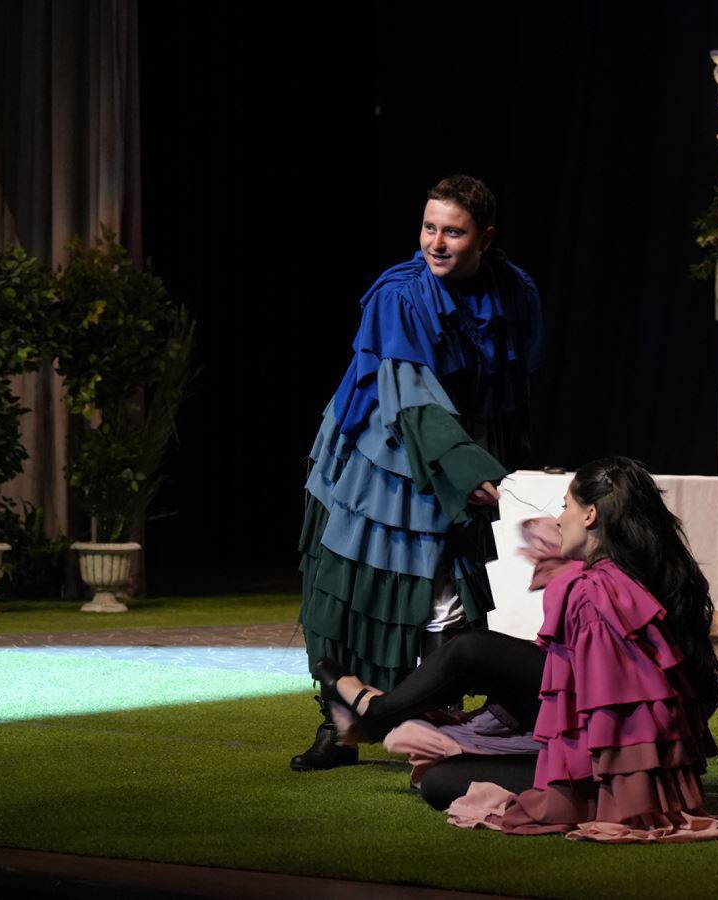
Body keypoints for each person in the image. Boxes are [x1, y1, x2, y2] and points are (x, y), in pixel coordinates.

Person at [317, 457, 718, 843]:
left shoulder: (594, 590)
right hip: (609, 752)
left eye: (566, 506)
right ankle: (377, 714)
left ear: (591, 515)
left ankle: (376, 712)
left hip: (611, 768)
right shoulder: (625, 578)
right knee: (442, 767)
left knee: (442, 764)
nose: (559, 518)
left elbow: (607, 708)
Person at [291, 174, 543, 771]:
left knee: (443, 592)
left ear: (485, 238)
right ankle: (340, 722)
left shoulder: (514, 291)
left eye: (453, 232)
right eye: (429, 227)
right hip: (383, 451)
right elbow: (411, 396)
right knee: (355, 585)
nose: (436, 242)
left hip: (453, 445)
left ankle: (429, 720)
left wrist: (495, 459)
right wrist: (461, 466)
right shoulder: (399, 295)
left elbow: (512, 386)